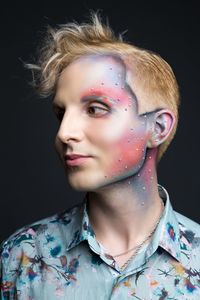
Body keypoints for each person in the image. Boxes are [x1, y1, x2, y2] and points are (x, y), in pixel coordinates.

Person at [0, 13, 200, 300]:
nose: (64, 133)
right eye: (60, 114)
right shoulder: (21, 257)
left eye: (95, 109)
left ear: (157, 128)